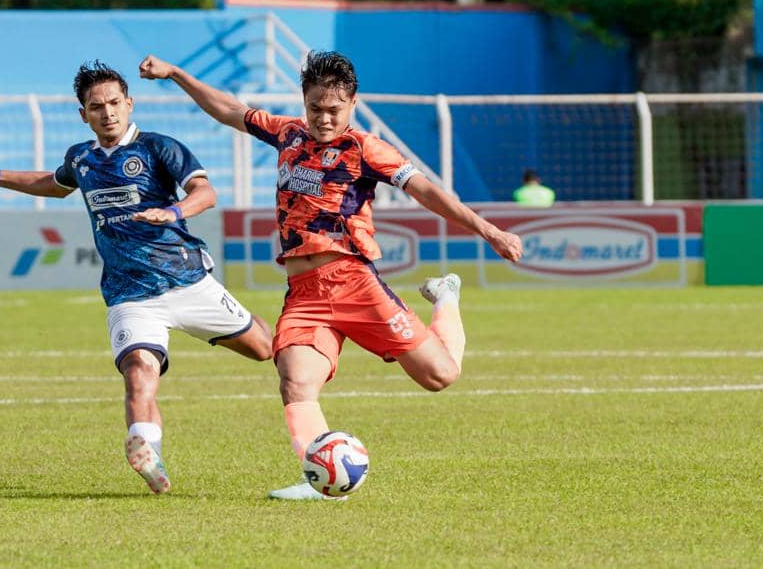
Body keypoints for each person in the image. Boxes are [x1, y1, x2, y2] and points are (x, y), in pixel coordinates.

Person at [138, 51, 523, 501]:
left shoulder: (366, 149)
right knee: (295, 381)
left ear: (353, 103)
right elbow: (229, 109)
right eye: (315, 107)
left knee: (440, 376)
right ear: (304, 100)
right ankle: (318, 482)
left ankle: (446, 296)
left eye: (334, 109)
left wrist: (488, 230)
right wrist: (177, 74)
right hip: (303, 293)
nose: (323, 117)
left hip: (354, 281)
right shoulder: (287, 133)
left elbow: (428, 193)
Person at [0, 60, 273, 496]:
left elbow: (206, 193)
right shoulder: (80, 158)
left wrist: (172, 211)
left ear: (129, 103)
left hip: (187, 280)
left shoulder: (160, 147)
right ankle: (147, 451)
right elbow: (53, 182)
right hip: (129, 294)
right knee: (139, 371)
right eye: (96, 106)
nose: (108, 112)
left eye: (115, 103)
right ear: (83, 113)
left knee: (265, 348)